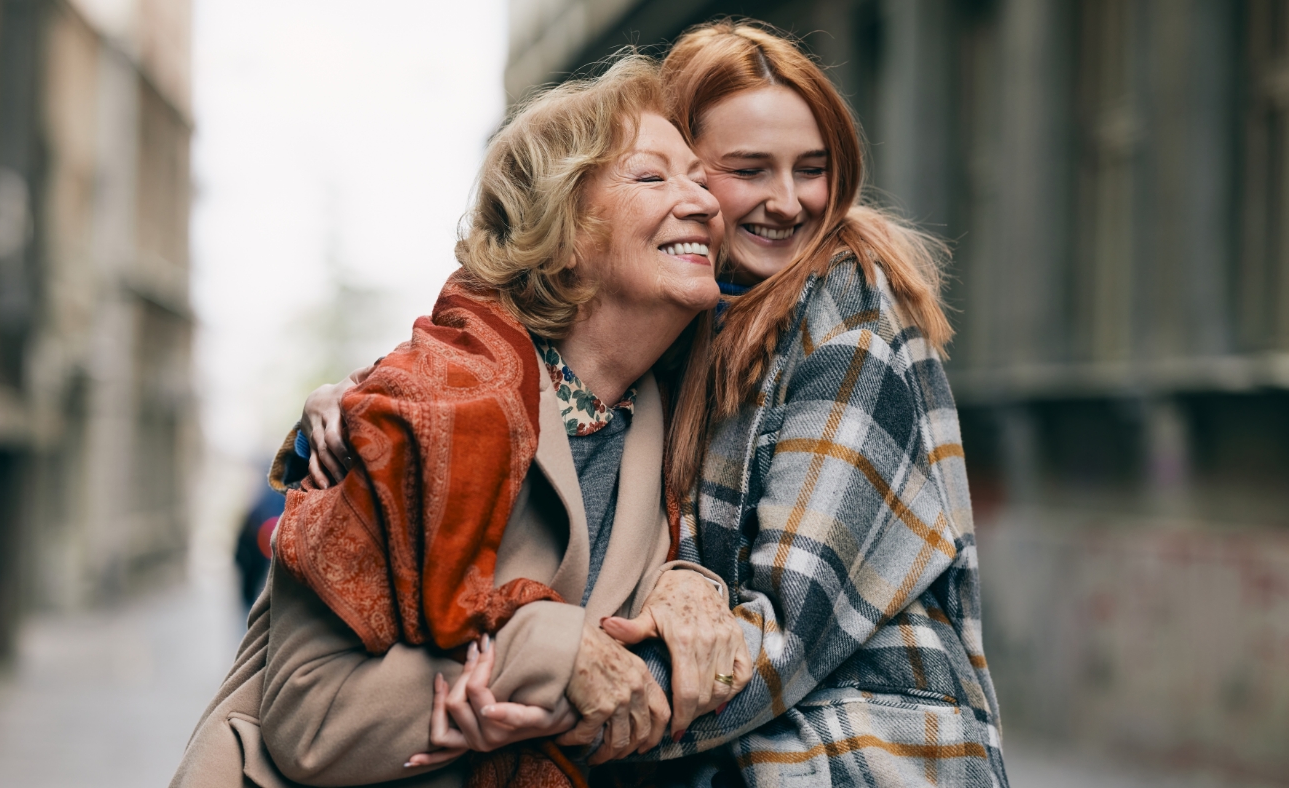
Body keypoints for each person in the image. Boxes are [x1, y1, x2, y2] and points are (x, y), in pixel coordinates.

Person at [305, 20, 1009, 788]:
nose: (787, 202)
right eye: (746, 170)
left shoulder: (847, 313)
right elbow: (499, 331)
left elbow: (786, 628)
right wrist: (360, 399)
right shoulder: (688, 326)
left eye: (813, 169)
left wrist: (559, 692)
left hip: (863, 752)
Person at [171, 54, 755, 788]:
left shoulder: (680, 415)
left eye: (700, 179)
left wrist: (689, 583)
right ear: (563, 236)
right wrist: (542, 656)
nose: (702, 201)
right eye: (651, 177)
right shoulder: (411, 411)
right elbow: (308, 717)